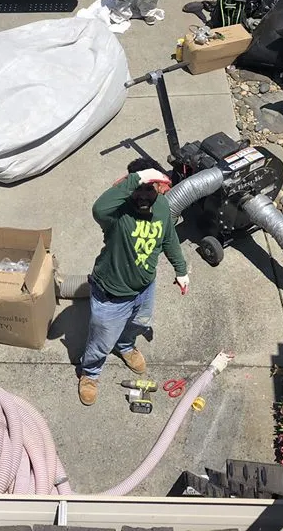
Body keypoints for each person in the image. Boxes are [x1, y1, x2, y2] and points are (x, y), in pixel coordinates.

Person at [77, 159, 189, 405]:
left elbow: (169, 238)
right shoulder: (116, 212)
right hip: (112, 293)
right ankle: (90, 373)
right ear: (130, 185)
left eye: (149, 188)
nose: (143, 196)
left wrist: (181, 270)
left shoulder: (161, 207)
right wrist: (138, 179)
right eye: (139, 188)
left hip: (145, 288)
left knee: (138, 322)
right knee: (101, 339)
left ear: (158, 187)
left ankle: (126, 345)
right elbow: (98, 208)